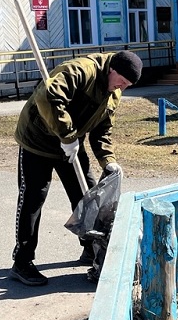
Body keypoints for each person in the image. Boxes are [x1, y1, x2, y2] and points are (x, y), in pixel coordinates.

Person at [10, 50, 142, 286]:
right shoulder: (81, 70)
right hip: (37, 140)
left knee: (87, 196)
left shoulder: (114, 92)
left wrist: (108, 160)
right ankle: (22, 261)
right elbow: (47, 97)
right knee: (33, 198)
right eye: (121, 82)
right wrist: (68, 135)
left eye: (127, 85)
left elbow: (102, 131)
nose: (122, 88)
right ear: (112, 70)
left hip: (70, 142)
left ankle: (91, 249)